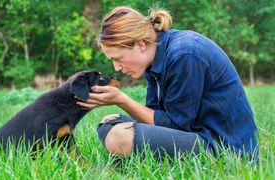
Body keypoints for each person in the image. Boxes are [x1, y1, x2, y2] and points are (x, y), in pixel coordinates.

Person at [76, 6, 259, 159]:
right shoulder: (155, 58)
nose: (116, 68)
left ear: (140, 44)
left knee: (118, 137)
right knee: (108, 123)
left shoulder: (184, 54)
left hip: (226, 147)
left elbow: (177, 126)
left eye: (118, 58)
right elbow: (155, 116)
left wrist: (122, 100)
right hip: (194, 132)